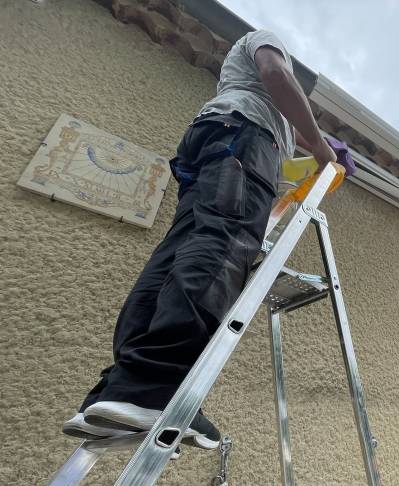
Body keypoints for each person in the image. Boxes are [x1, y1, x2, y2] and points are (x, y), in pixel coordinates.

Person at [62, 30, 337, 449]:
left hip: (214, 140)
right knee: (225, 242)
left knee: (180, 252)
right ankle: (158, 384)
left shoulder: (240, 91)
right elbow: (277, 75)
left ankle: (123, 386)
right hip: (242, 140)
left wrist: (317, 142)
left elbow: (278, 110)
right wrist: (319, 146)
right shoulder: (264, 41)